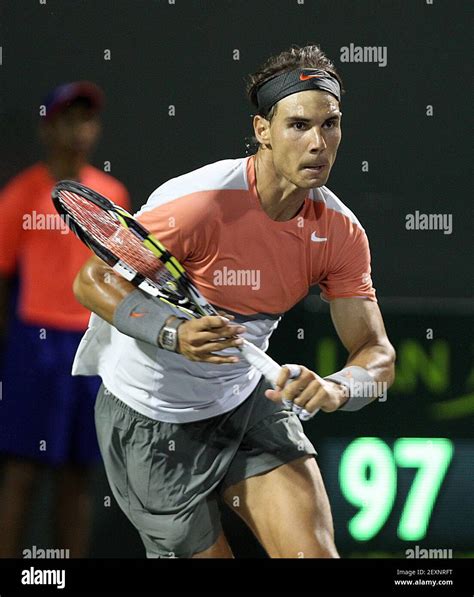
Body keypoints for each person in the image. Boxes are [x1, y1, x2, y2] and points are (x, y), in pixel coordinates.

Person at [73, 45, 395, 559]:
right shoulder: (198, 204)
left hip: (246, 404)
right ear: (262, 130)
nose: (318, 143)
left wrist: (335, 389)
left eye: (330, 124)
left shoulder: (340, 232)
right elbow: (92, 281)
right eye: (298, 125)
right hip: (151, 421)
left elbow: (377, 357)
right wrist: (171, 330)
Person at [0, 81, 130, 557]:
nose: (79, 130)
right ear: (47, 128)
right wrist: (14, 348)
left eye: (87, 119)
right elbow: (1, 277)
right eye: (68, 119)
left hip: (92, 349)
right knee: (22, 471)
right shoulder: (20, 196)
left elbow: (122, 278)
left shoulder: (112, 194)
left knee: (79, 476)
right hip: (34, 347)